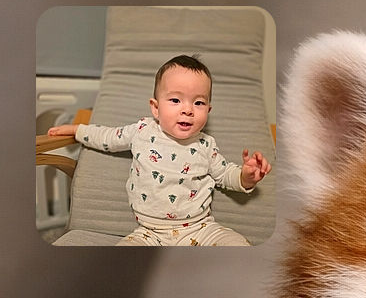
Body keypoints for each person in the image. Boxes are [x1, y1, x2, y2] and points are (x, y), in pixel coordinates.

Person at [48, 54, 271, 246]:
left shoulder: (206, 145)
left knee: (237, 245)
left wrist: (246, 176)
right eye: (175, 100)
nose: (188, 110)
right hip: (148, 233)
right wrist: (77, 130)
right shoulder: (142, 131)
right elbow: (108, 137)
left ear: (208, 110)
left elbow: (225, 175)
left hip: (201, 229)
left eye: (199, 103)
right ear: (155, 108)